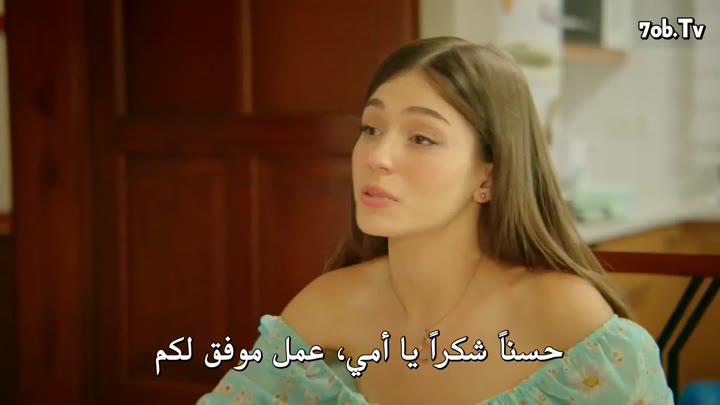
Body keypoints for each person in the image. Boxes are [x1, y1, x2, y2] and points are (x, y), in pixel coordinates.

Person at [196, 37, 673, 405]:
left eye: (421, 138)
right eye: (371, 128)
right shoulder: (327, 308)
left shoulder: (566, 319)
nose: (377, 156)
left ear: (489, 174)